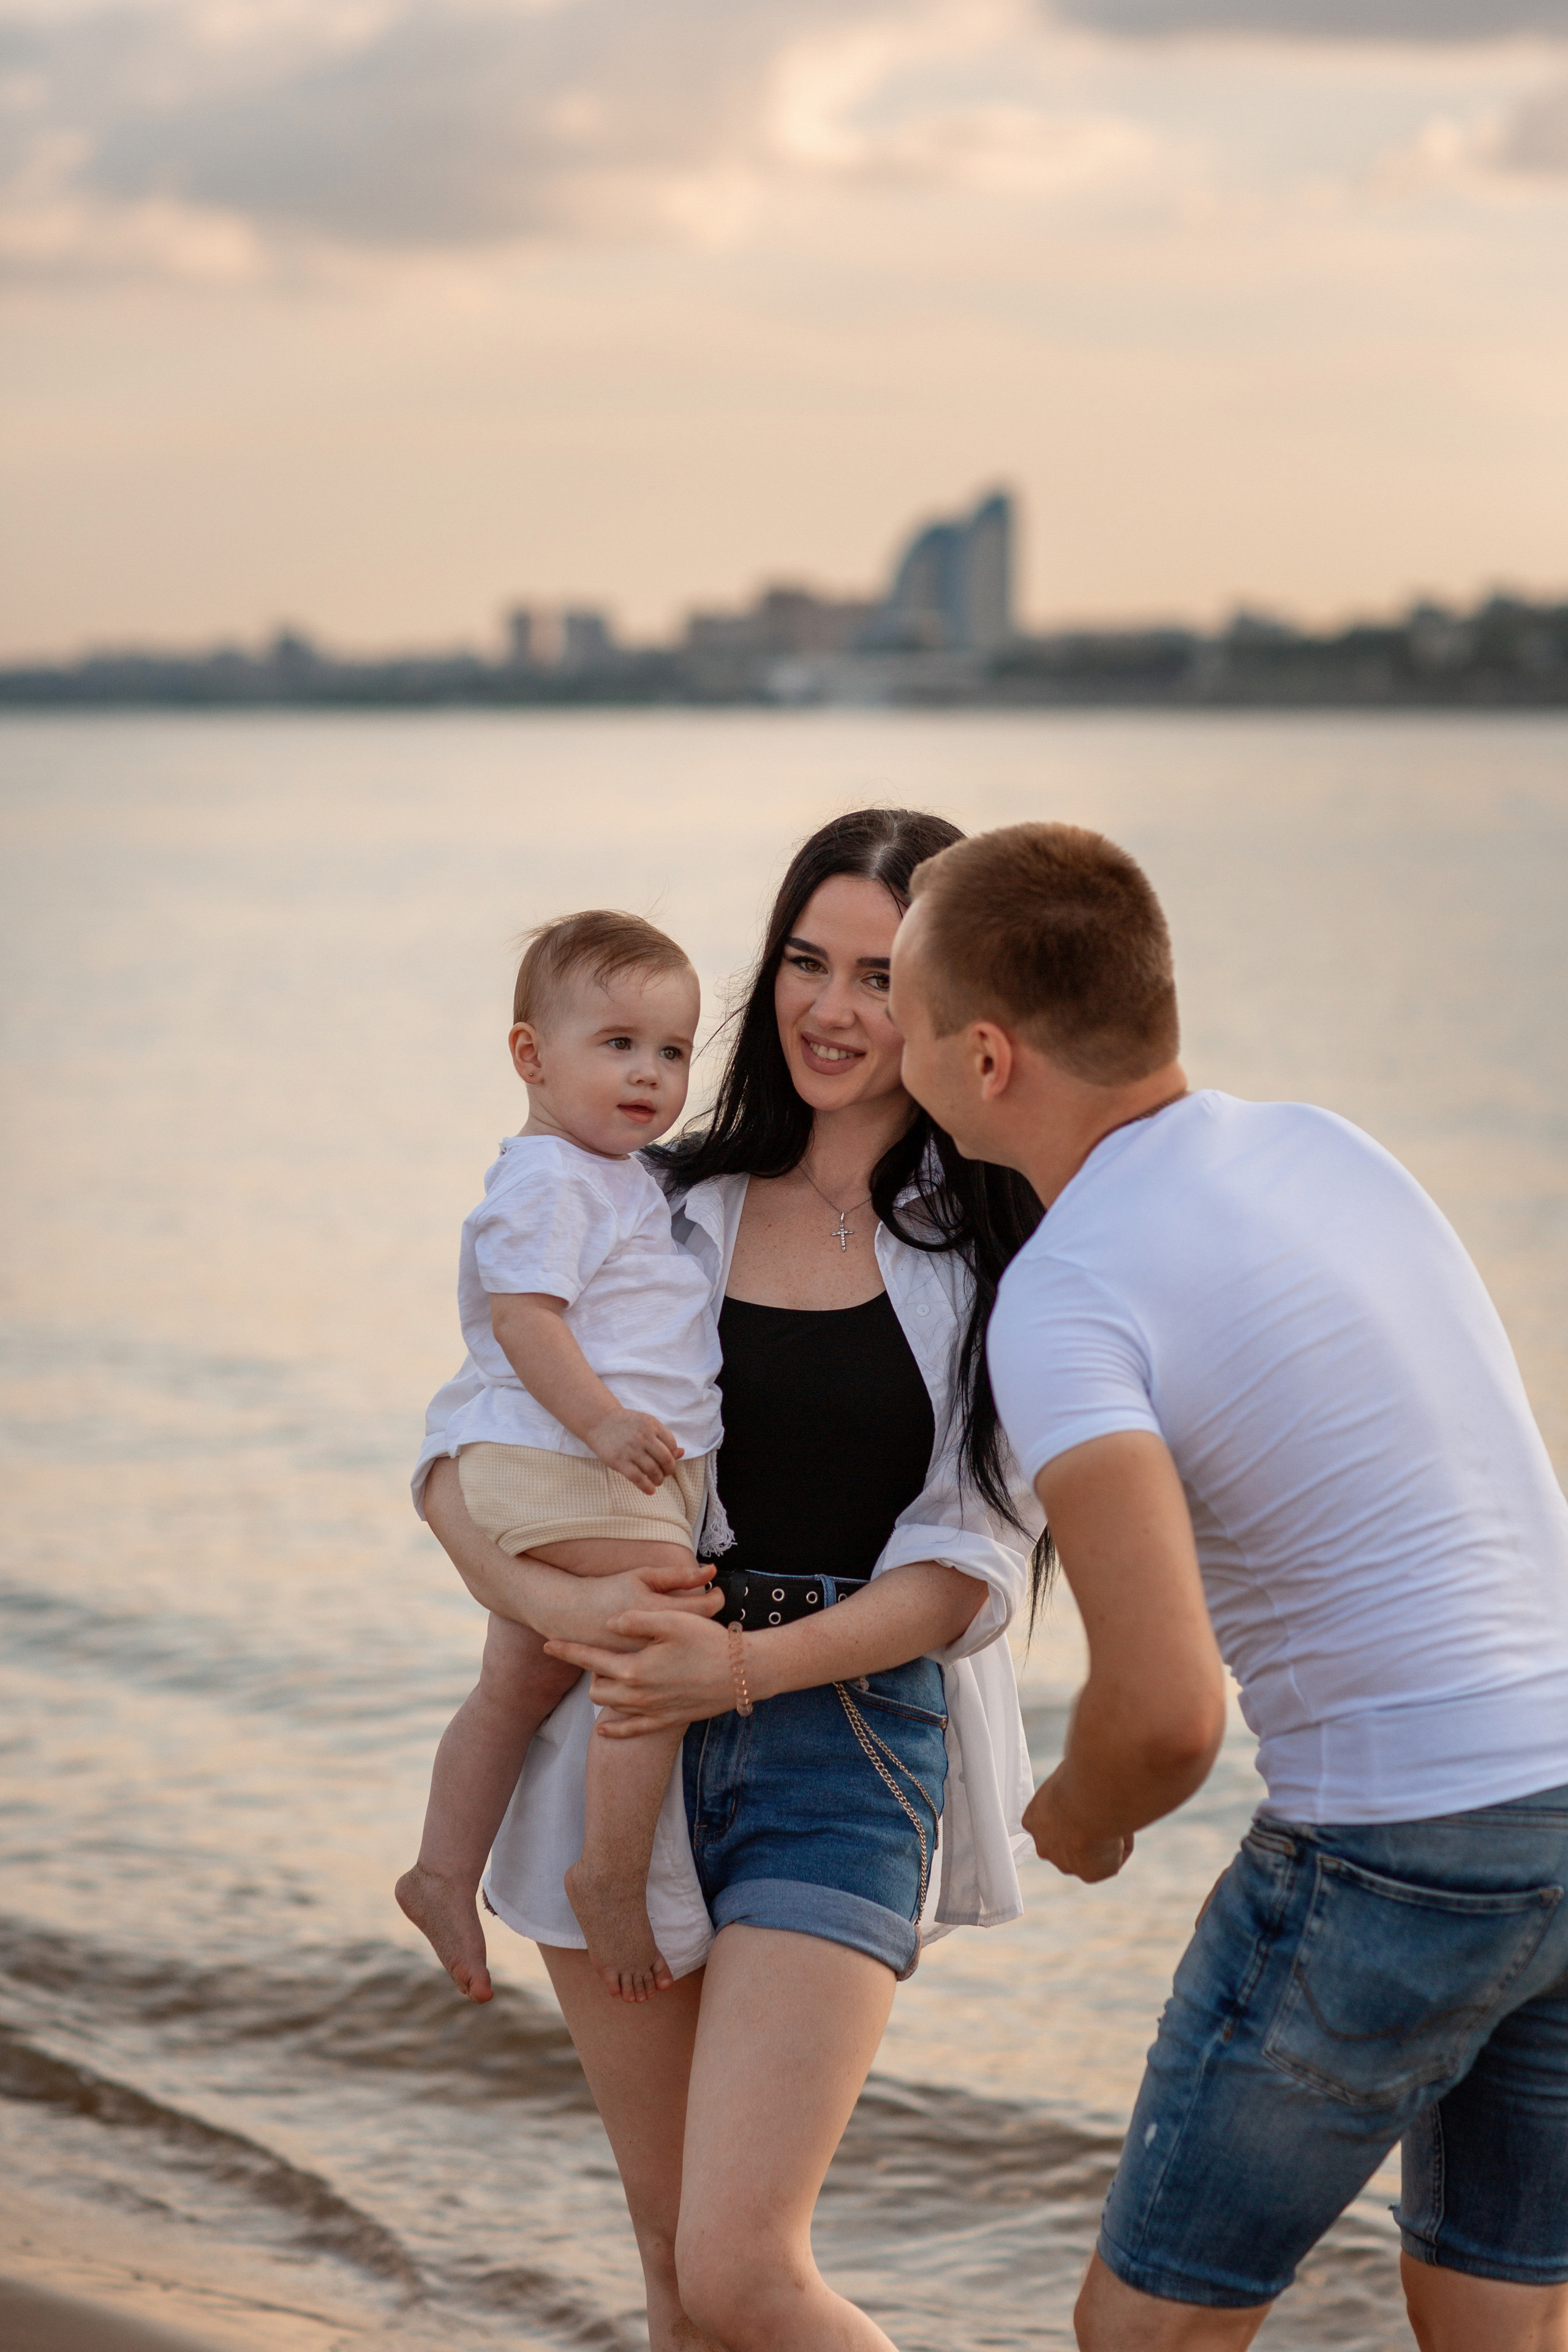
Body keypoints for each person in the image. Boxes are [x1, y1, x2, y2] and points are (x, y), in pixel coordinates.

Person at [889, 818, 1568, 2352]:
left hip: (1394, 1849)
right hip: (1562, 1796)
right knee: (1497, 2313)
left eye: (903, 1008)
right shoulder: (1331, 1148)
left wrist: (1077, 1812)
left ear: (985, 1061)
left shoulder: (1067, 1289)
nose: (878, 1033)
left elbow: (1164, 1712)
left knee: (1151, 2333)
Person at [413, 807, 1042, 2352]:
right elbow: (457, 1451)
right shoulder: (645, 1192)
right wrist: (560, 1612)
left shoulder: (1003, 1255)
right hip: (618, 1729)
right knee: (674, 2270)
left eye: (881, 976)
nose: (832, 1010)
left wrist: (745, 1669)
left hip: (839, 1741)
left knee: (749, 2267)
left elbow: (972, 1563)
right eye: (805, 963)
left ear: (962, 1006)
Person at [397, 910, 724, 2004]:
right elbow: (526, 1316)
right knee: (662, 1629)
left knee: (516, 1682)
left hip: (563, 1461)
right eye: (618, 1044)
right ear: (531, 1056)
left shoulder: (616, 1175)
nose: (650, 1075)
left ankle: (443, 1870)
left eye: (672, 1051)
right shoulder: (552, 1181)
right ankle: (611, 1879)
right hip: (566, 1462)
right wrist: (602, 1424)